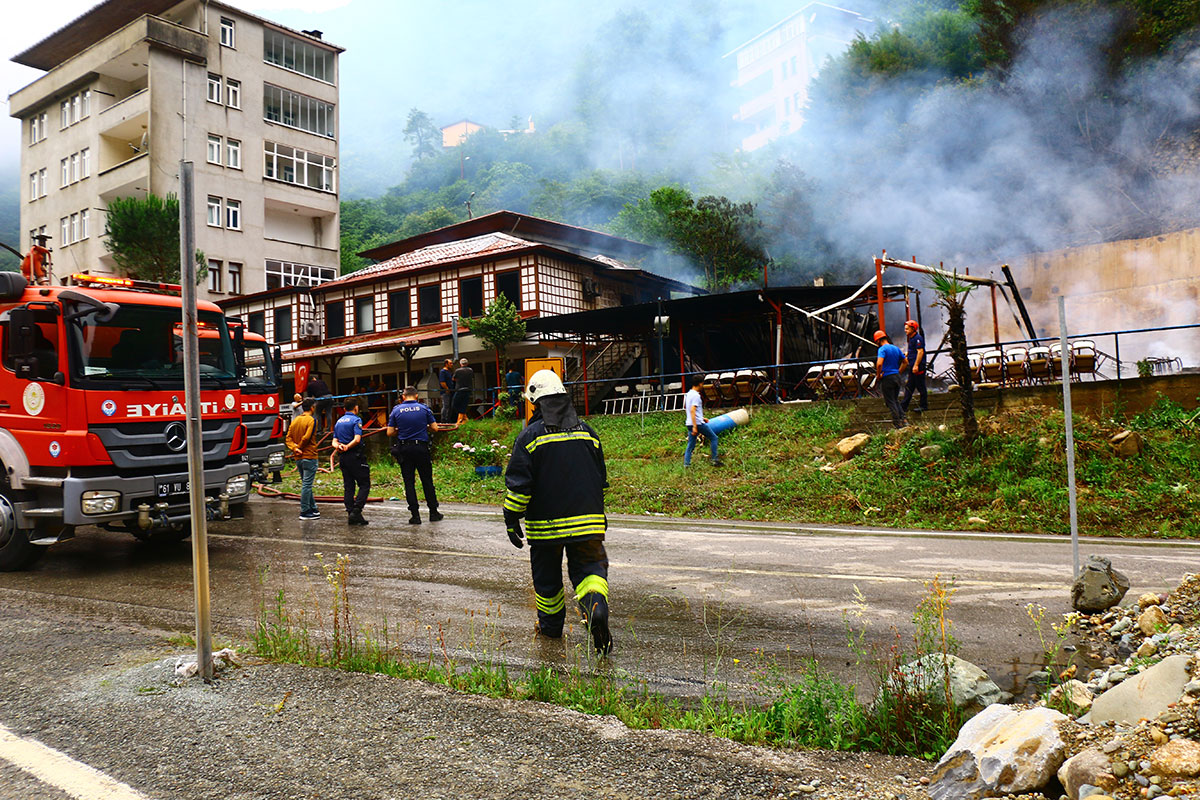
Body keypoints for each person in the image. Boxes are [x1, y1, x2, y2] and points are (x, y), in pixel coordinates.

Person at [503, 369, 612, 655]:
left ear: (535, 403)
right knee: (590, 571)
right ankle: (596, 609)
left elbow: (519, 487)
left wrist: (511, 517)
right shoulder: (589, 433)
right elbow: (600, 478)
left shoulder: (529, 437)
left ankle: (551, 629)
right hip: (589, 523)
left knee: (548, 579)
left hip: (546, 529)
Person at [387, 385, 444, 526]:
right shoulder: (424, 409)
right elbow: (435, 428)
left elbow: (389, 432)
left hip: (405, 449)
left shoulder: (397, 410)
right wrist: (424, 428)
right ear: (417, 396)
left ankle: (415, 515)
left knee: (409, 482)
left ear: (403, 397)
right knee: (427, 480)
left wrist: (400, 432)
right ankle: (433, 512)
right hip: (421, 448)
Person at [333, 396, 370, 526]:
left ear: (344, 409)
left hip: (342, 457)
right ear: (356, 408)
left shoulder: (339, 421)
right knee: (364, 484)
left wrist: (339, 447)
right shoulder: (356, 420)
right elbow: (357, 439)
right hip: (355, 455)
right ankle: (356, 510)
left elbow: (334, 441)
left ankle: (351, 514)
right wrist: (348, 446)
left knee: (348, 486)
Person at [285, 398, 320, 520]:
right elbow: (307, 437)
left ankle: (313, 508)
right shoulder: (312, 420)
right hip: (309, 455)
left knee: (306, 483)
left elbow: (288, 438)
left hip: (298, 457)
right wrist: (299, 447)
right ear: (312, 408)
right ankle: (305, 511)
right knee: (307, 485)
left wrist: (294, 449)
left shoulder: (295, 421)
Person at [683, 373, 720, 467]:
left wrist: (702, 418)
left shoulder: (688, 394)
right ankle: (714, 459)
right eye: (702, 383)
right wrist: (696, 426)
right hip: (697, 424)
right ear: (700, 384)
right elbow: (692, 410)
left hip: (689, 423)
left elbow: (688, 409)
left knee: (691, 444)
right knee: (714, 438)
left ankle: (686, 464)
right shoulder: (696, 395)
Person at [874, 330, 909, 429]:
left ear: (878, 341)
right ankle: (904, 420)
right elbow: (905, 362)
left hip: (887, 378)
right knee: (895, 400)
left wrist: (878, 374)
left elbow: (879, 363)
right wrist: (898, 372)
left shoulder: (882, 349)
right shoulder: (896, 348)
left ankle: (898, 424)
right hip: (897, 377)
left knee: (890, 401)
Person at [901, 319, 928, 414]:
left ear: (913, 329)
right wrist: (907, 354)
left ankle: (924, 406)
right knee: (909, 387)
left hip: (918, 367)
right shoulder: (912, 339)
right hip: (912, 367)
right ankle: (903, 406)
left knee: (921, 386)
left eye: (907, 329)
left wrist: (916, 365)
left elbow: (920, 352)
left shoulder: (918, 338)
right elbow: (914, 350)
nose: (905, 330)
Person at [452, 358, 474, 425]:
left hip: (460, 389)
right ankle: (464, 418)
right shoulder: (470, 370)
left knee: (455, 404)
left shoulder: (458, 371)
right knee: (464, 404)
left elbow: (453, 378)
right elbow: (472, 377)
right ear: (467, 363)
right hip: (468, 389)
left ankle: (461, 419)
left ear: (460, 364)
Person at [438, 359, 455, 424]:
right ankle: (443, 419)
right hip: (445, 392)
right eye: (450, 363)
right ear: (446, 364)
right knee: (446, 405)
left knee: (450, 406)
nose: (452, 365)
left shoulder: (449, 372)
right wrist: (447, 389)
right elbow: (442, 382)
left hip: (451, 391)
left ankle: (448, 419)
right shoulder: (443, 372)